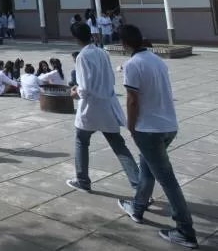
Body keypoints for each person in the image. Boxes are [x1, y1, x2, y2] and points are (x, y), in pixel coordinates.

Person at [117, 25, 198, 249]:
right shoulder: (156, 60)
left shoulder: (132, 65)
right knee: (147, 168)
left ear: (124, 44)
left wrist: (131, 126)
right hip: (168, 125)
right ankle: (137, 207)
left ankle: (185, 230)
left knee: (167, 179)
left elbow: (132, 100)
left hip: (149, 129)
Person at [65, 21, 139, 194]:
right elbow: (110, 78)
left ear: (75, 38)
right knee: (119, 146)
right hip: (107, 105)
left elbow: (86, 86)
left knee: (81, 141)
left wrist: (76, 92)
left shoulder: (82, 56)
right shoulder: (101, 52)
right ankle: (139, 185)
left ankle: (83, 180)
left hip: (91, 106)